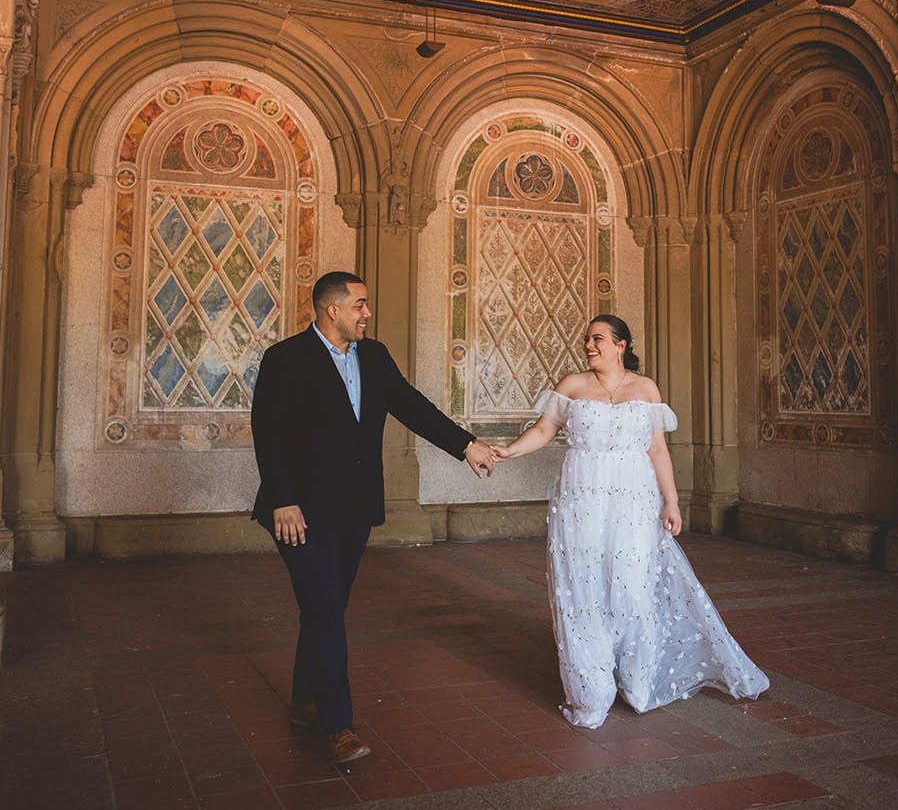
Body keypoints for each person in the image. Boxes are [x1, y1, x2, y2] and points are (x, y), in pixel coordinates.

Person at [250, 271, 496, 761]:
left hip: (355, 506)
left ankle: (304, 700)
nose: (367, 313)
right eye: (360, 304)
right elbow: (268, 430)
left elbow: (412, 407)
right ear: (331, 310)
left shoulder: (376, 356)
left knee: (326, 607)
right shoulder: (285, 359)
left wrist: (466, 445)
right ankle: (339, 727)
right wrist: (282, 497)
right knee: (323, 608)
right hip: (298, 510)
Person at [492, 314, 768, 728]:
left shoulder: (645, 388)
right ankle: (591, 692)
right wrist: (508, 452)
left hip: (635, 503)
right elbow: (544, 430)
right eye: (587, 339)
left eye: (598, 339)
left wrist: (671, 502)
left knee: (633, 588)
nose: (589, 345)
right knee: (583, 591)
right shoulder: (572, 385)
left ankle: (638, 681)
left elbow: (657, 450)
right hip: (582, 502)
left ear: (622, 345)